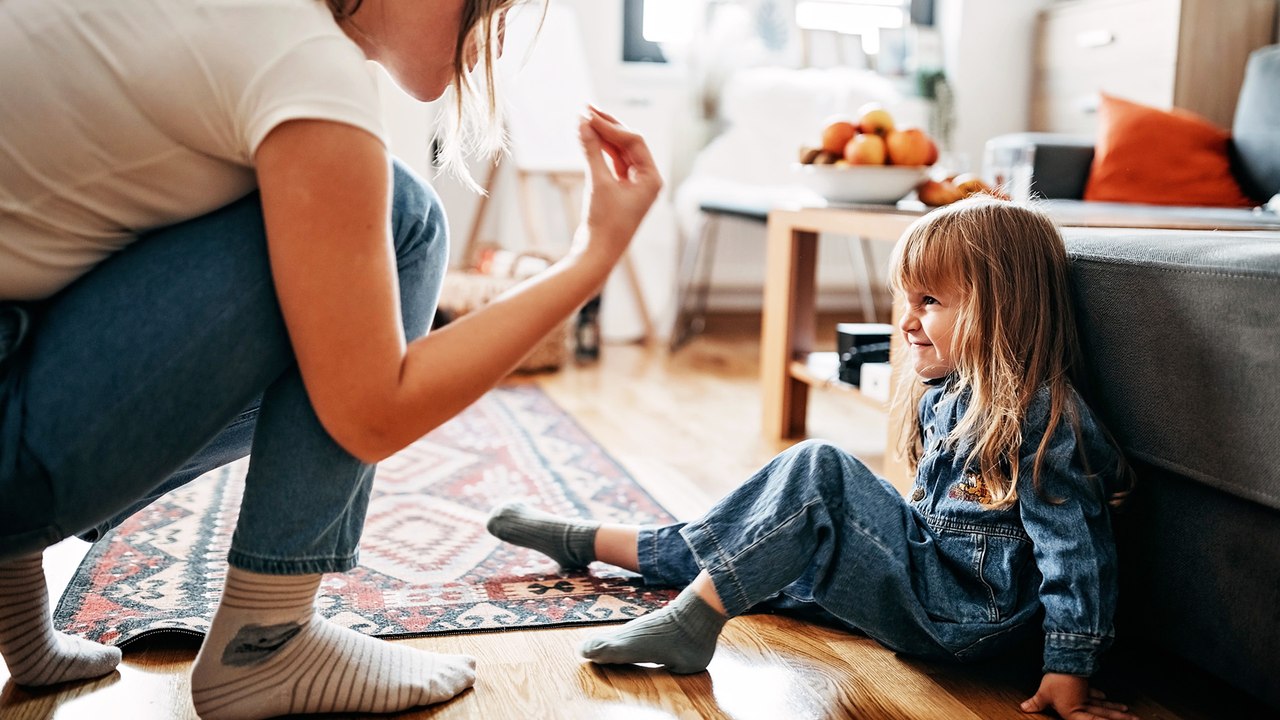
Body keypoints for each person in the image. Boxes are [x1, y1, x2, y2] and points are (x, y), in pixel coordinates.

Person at [0, 0, 660, 717]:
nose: (497, 35)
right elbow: (372, 413)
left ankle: (13, 567)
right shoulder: (302, 62)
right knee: (399, 215)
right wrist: (590, 259)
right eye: (494, 5)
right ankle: (268, 640)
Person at [489, 197, 1141, 720]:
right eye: (907, 300)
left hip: (963, 615)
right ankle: (594, 541)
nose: (907, 321)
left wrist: (1069, 668)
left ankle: (691, 623)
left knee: (818, 472)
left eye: (931, 302)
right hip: (930, 580)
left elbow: (1076, 550)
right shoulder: (950, 392)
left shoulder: (1039, 416)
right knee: (761, 532)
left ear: (1003, 309)